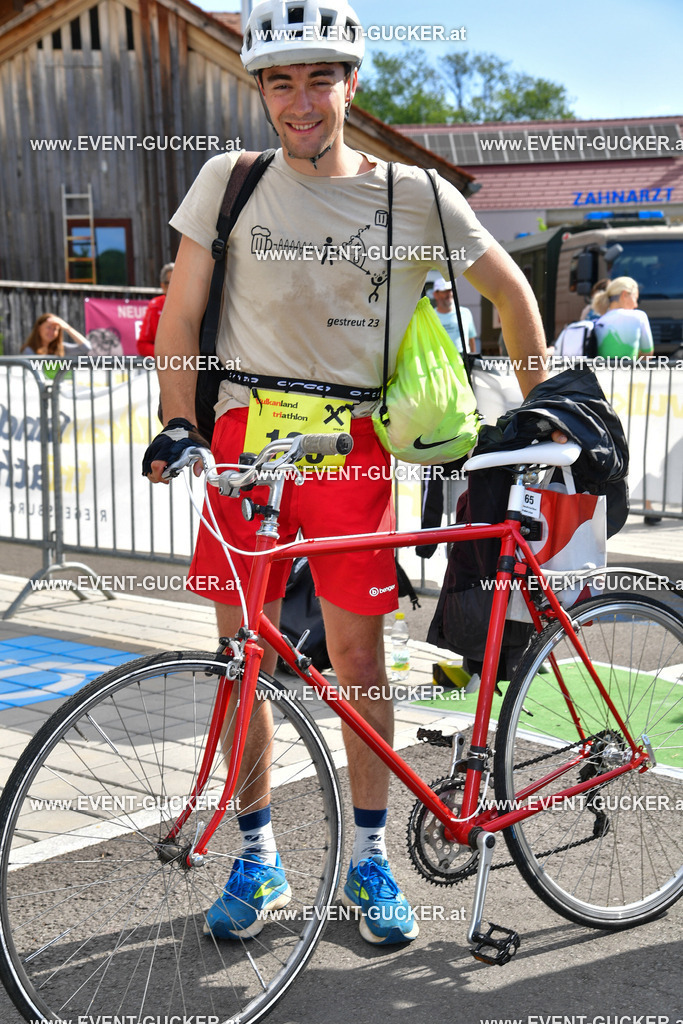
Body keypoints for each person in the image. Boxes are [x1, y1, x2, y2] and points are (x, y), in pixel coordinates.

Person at [143, 0, 556, 948]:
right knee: (239, 662)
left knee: (359, 661)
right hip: (245, 441)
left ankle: (367, 861)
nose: (300, 100)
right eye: (280, 81)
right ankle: (259, 857)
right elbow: (180, 310)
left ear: (351, 83)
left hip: (352, 447)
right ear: (261, 91)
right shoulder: (229, 181)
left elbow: (513, 294)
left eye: (318, 78)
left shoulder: (414, 198)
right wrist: (176, 419)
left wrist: (539, 408)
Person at [592, 276, 654, 359]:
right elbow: (648, 353)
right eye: (635, 298)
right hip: (628, 371)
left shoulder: (599, 321)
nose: (636, 305)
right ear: (624, 295)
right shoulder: (639, 316)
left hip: (601, 371)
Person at [429, 274, 477, 354]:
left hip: (463, 361)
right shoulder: (430, 316)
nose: (449, 294)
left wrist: (472, 360)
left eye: (451, 290)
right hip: (439, 363)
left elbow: (471, 339)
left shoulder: (465, 313)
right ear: (435, 294)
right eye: (444, 291)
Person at [137, 263, 174, 356]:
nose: (174, 286)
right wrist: (167, 356)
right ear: (163, 286)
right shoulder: (155, 306)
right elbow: (142, 345)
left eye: (178, 281)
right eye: (170, 282)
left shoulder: (195, 303)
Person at [21, 313, 89, 357]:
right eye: (48, 327)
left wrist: (68, 328)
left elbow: (86, 347)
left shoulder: (61, 348)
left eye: (55, 329)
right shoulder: (29, 350)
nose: (51, 332)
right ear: (39, 328)